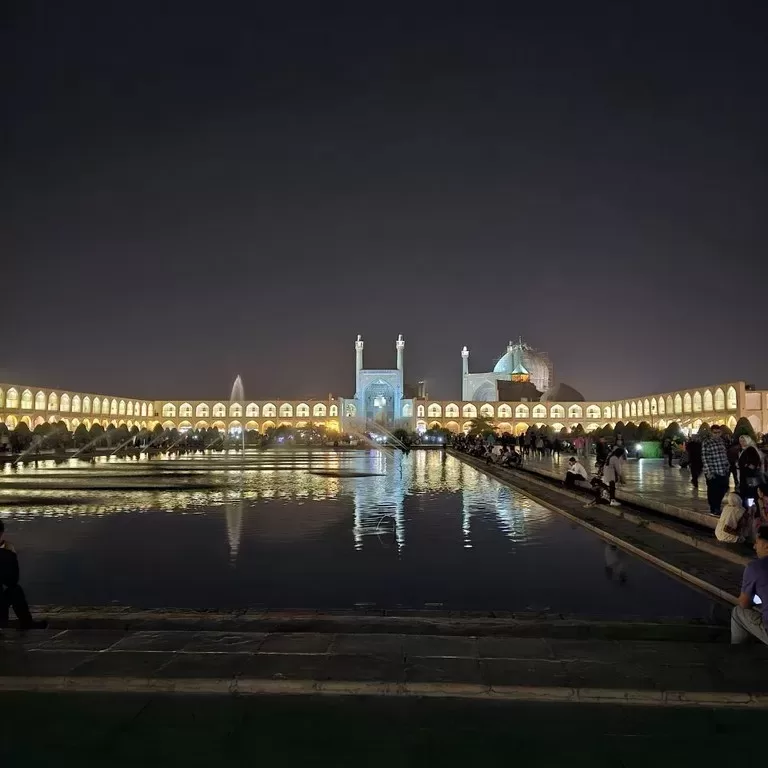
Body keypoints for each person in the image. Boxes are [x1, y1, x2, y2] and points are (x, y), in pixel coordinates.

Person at [0, 521, 47, 631]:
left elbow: (12, 580)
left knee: (15, 590)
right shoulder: (7, 550)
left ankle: (27, 623)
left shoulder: (8, 549)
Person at [731, 525, 768, 645]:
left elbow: (744, 603)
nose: (754, 546)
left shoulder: (755, 567)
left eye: (757, 542)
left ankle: (737, 653)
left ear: (766, 545)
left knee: (738, 613)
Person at [702, 425, 731, 516]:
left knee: (724, 488)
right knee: (713, 491)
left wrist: (727, 466)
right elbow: (704, 458)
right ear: (711, 433)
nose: (717, 434)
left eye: (719, 433)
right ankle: (714, 508)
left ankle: (716, 505)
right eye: (715, 433)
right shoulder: (707, 442)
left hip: (723, 470)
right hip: (713, 470)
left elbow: (724, 454)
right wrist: (708, 472)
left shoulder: (721, 441)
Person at [737, 435, 763, 508]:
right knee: (748, 492)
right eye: (740, 441)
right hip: (745, 475)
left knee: (750, 493)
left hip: (749, 476)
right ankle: (749, 507)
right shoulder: (743, 449)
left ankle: (750, 508)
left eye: (744, 441)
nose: (742, 443)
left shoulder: (750, 449)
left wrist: (746, 465)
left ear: (748, 441)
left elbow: (755, 461)